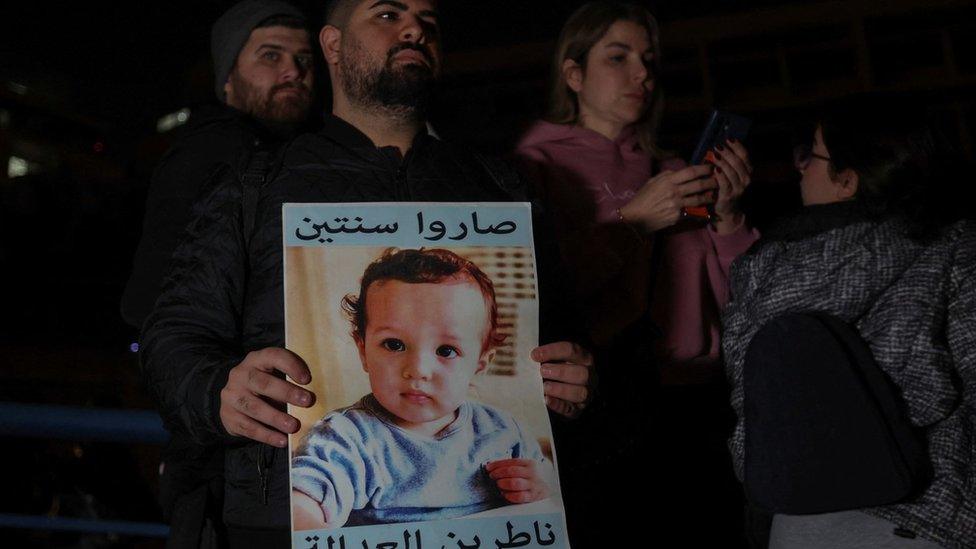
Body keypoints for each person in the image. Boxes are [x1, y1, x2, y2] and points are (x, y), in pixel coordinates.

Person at [140, 0, 593, 546]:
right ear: (332, 45)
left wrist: (577, 378)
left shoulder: (500, 189)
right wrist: (217, 391)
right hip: (275, 522)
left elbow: (567, 337)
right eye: (387, 15)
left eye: (428, 21)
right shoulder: (252, 185)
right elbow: (171, 334)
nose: (412, 29)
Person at [513, 1, 758, 544]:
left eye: (648, 59)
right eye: (618, 57)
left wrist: (730, 219)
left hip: (694, 400)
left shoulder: (675, 170)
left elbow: (735, 301)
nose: (642, 74)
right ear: (573, 73)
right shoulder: (536, 164)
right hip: (598, 400)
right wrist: (634, 220)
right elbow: (537, 291)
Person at [722, 95, 976, 548]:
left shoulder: (763, 266)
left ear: (848, 179)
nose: (800, 166)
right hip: (923, 516)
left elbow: (751, 400)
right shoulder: (953, 246)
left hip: (798, 516)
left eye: (811, 154)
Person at [291, 248, 553, 529]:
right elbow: (302, 507)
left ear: (480, 363)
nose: (418, 370)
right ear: (363, 350)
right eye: (394, 344)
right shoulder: (345, 438)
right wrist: (307, 516)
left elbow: (545, 494)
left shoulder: (503, 431)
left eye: (446, 350)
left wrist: (539, 485)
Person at [121, 0, 316, 330]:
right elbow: (151, 296)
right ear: (228, 77)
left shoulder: (313, 152)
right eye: (271, 55)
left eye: (304, 59)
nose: (293, 71)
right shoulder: (209, 151)